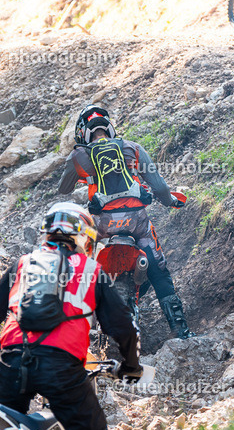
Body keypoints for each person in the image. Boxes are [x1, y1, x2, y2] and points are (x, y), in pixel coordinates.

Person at [0, 203, 143, 430]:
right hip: (62, 370)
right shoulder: (92, 271)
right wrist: (130, 367)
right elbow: (124, 327)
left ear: (47, 234)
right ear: (84, 239)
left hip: (13, 364)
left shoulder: (22, 264)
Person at [57, 105, 196, 339]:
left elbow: (63, 189)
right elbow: (160, 187)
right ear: (110, 128)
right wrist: (171, 201)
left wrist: (80, 171)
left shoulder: (79, 156)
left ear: (82, 132)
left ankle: (68, 324)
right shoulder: (133, 148)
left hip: (100, 226)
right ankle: (181, 331)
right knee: (159, 270)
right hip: (137, 223)